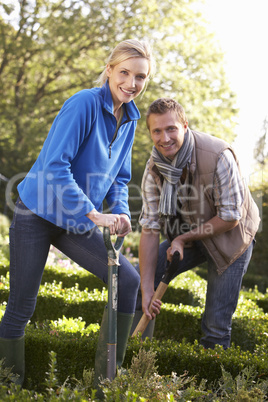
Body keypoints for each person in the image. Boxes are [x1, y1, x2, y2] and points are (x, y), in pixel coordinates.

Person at [0, 39, 154, 386]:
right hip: (36, 213)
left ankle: (106, 385)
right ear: (109, 69)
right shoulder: (84, 103)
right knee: (22, 305)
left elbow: (119, 178)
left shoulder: (129, 119)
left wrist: (119, 211)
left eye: (140, 77)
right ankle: (8, 387)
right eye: (125, 73)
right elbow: (55, 166)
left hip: (75, 219)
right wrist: (92, 213)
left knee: (126, 281)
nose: (132, 83)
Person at [132, 97, 260, 349]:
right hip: (189, 233)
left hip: (231, 239)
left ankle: (213, 389)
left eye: (171, 129)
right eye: (157, 131)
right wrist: (147, 288)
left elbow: (230, 217)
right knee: (138, 284)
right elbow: (150, 228)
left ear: (185, 126)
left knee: (215, 326)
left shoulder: (219, 155)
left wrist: (181, 239)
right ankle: (137, 359)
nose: (164, 138)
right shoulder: (154, 169)